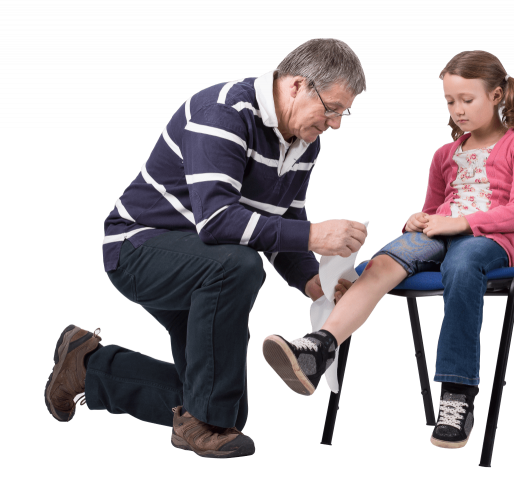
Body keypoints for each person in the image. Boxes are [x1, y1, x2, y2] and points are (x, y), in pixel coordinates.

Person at [44, 38, 369, 459]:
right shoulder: (224, 112)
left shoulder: (306, 143)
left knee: (222, 409)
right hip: (138, 247)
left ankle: (88, 369)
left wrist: (315, 285)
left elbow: (282, 225)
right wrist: (312, 235)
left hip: (205, 263)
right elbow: (217, 221)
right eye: (331, 107)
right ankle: (202, 423)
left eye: (344, 112)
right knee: (239, 266)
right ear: (296, 86)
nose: (336, 122)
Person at [260, 50, 514, 450]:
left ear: (497, 96)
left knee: (461, 267)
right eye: (450, 101)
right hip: (440, 233)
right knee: (382, 262)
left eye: (468, 100)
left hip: (489, 241)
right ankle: (320, 346)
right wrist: (420, 219)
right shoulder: (444, 154)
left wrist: (458, 223)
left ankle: (457, 396)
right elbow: (433, 209)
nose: (457, 110)